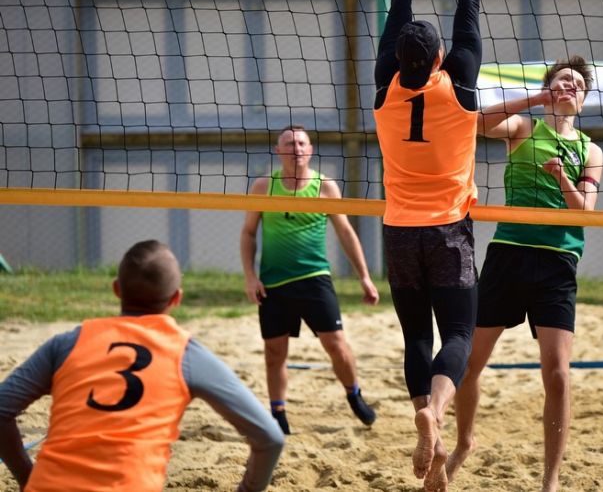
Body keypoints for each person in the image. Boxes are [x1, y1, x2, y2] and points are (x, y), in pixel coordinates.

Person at [0, 240, 284, 492]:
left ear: (116, 289)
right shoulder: (185, 353)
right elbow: (270, 438)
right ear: (177, 298)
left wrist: (27, 478)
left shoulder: (67, 343)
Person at [446, 56, 603, 492]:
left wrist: (563, 178)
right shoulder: (523, 128)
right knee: (470, 364)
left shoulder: (590, 150)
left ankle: (550, 480)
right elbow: (476, 123)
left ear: (583, 101)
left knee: (558, 374)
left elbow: (584, 212)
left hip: (558, 263)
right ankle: (464, 442)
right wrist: (536, 98)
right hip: (509, 256)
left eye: (577, 85)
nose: (570, 86)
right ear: (549, 88)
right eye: (562, 80)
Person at [372, 0, 488, 492]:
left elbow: (397, 10)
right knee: (459, 336)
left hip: (399, 229)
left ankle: (429, 428)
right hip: (448, 230)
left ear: (399, 60)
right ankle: (436, 415)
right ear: (440, 58)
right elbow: (469, 10)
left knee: (416, 338)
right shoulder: (460, 82)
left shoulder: (384, 87)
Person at [240, 125, 380, 435]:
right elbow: (248, 233)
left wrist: (365, 277)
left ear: (311, 150)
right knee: (274, 353)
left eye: (302, 143)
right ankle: (278, 414)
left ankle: (354, 394)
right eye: (290, 144)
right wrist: (250, 277)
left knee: (337, 345)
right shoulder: (263, 186)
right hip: (274, 282)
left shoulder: (324, 186)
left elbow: (345, 232)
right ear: (278, 151)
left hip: (314, 278)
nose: (297, 149)